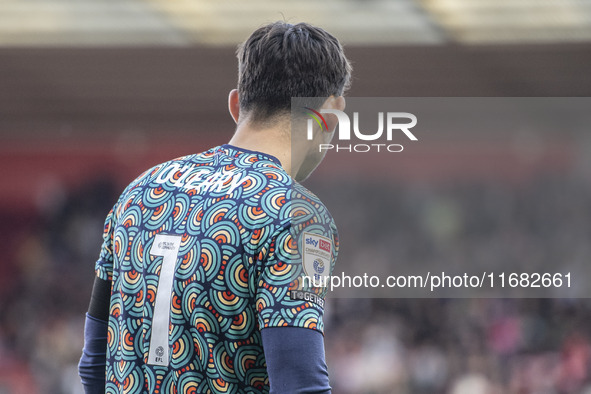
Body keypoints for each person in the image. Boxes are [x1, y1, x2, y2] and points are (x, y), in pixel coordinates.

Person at [78, 21, 351, 393]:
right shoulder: (295, 214)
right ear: (331, 119)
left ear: (236, 104)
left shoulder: (140, 191)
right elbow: (299, 383)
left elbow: (95, 364)